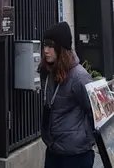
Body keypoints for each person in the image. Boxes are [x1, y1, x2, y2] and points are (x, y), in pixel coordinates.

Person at [40, 21, 95, 168]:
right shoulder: (48, 72)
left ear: (61, 49)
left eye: (51, 46)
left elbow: (94, 111)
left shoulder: (79, 77)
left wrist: (84, 140)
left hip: (76, 155)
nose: (46, 50)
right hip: (53, 149)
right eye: (45, 45)